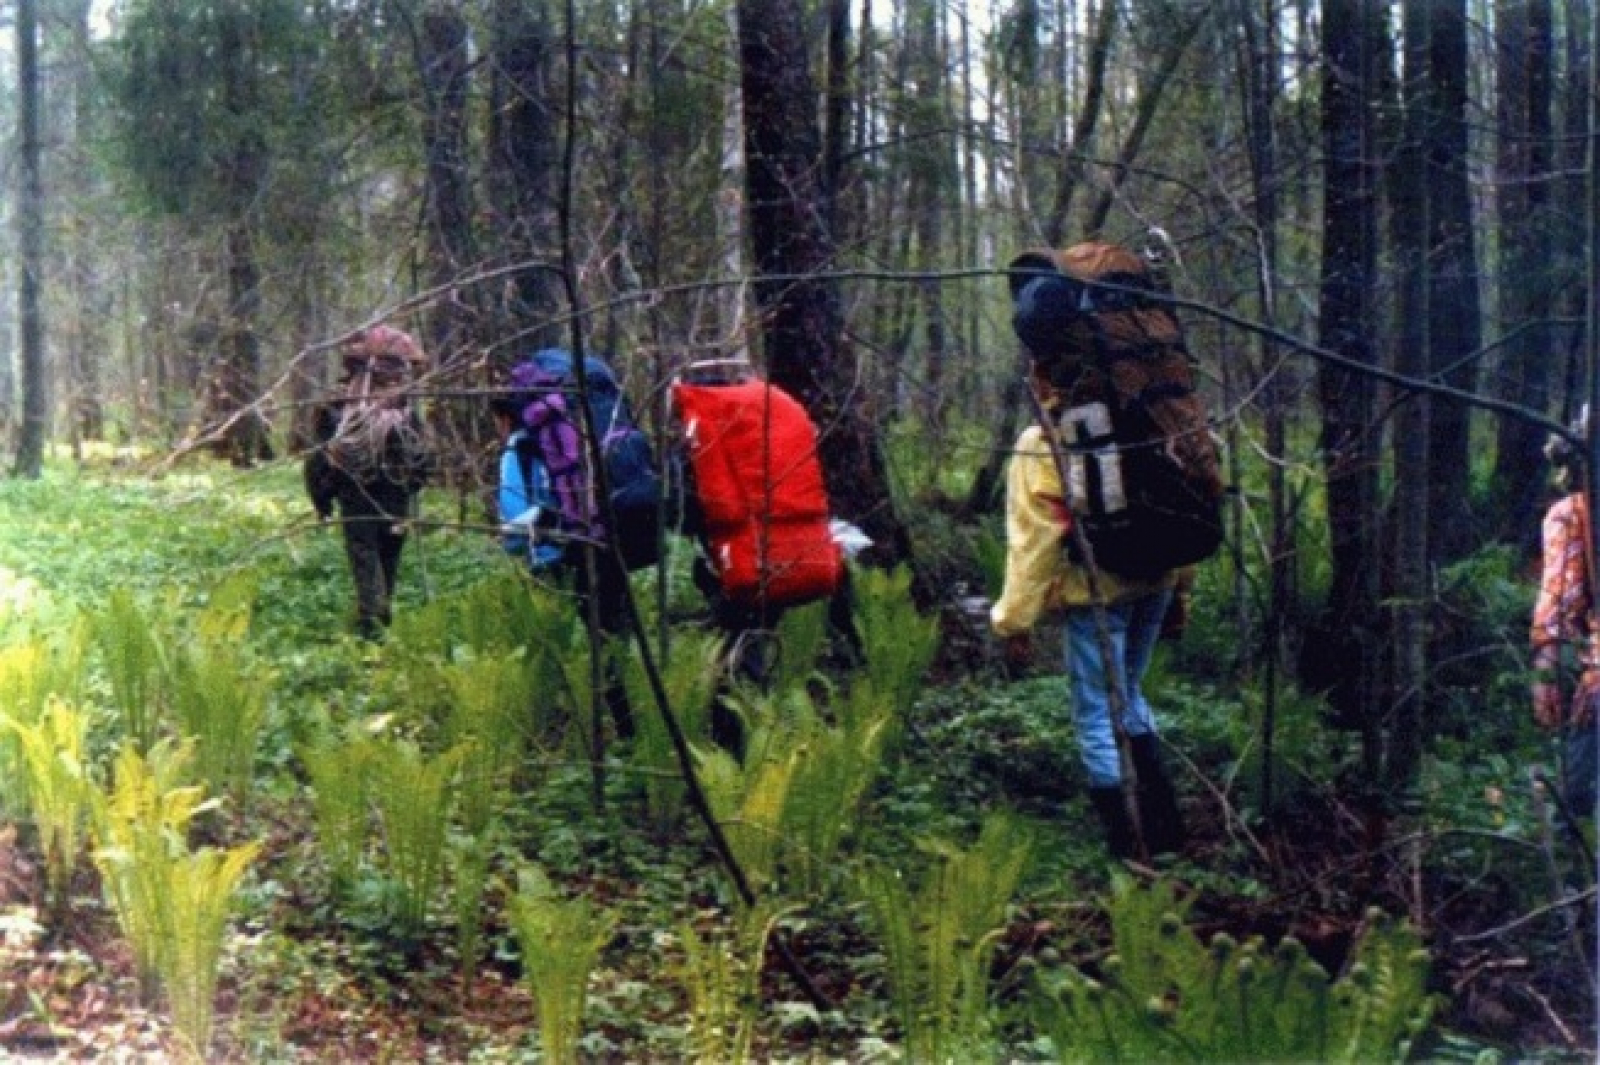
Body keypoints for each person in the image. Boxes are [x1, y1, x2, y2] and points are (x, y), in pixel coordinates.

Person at [990, 269, 1185, 861]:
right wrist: (1182, 589)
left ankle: (1127, 848)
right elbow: (1180, 491)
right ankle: (1168, 827)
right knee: (1129, 697)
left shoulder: (1044, 439)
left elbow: (1034, 544)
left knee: (1097, 716)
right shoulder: (1150, 408)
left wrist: (1012, 624)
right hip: (1158, 574)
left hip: (1098, 589)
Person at [492, 375, 636, 740]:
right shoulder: (588, 435)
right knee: (613, 640)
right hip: (603, 547)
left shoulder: (517, 452)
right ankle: (632, 726)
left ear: (506, 418)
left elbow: (514, 527)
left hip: (552, 564)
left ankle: (566, 732)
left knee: (555, 653)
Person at [304, 326, 432, 639]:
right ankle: (380, 611)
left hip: (356, 493)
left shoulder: (338, 408)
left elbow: (319, 460)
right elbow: (424, 458)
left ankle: (372, 619)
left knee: (365, 554)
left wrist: (322, 500)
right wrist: (413, 484)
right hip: (395, 494)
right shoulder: (405, 412)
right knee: (389, 552)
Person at [1530, 415, 1598, 822]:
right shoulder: (1577, 515)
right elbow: (1558, 608)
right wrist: (1548, 666)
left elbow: (1558, 612)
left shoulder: (1575, 513)